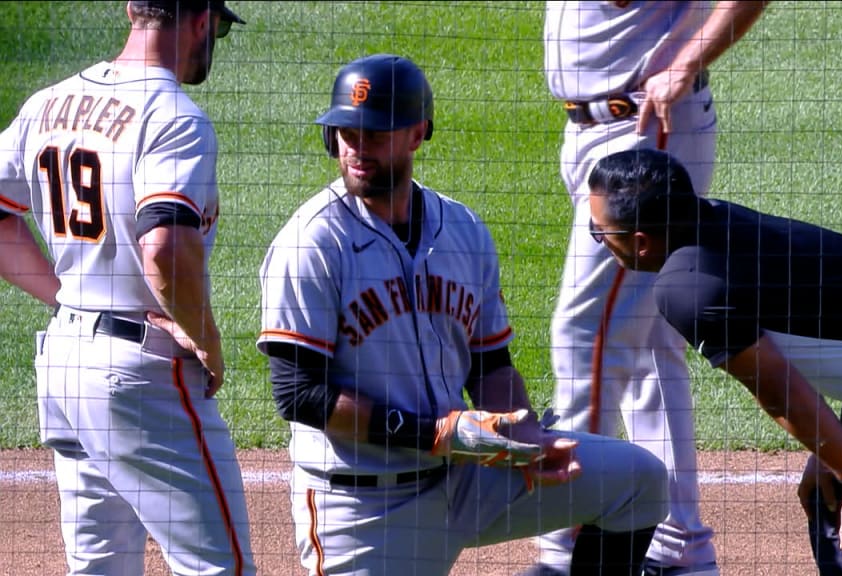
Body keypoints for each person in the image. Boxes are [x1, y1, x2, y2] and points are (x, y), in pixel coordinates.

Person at [255, 53, 669, 576]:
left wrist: (525, 440)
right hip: (363, 508)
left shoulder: (462, 230)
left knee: (637, 481)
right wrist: (434, 431)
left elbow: (490, 364)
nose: (356, 147)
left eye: (374, 132)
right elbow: (300, 393)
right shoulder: (311, 242)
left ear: (418, 133)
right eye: (345, 132)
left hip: (465, 480)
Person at [587, 148, 842, 575]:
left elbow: (779, 393)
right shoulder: (704, 227)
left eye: (599, 231)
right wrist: (833, 456)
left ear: (639, 242)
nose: (599, 239)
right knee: (833, 521)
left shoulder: (687, 291)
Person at [0, 2, 254, 575]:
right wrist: (205, 337)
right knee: (219, 568)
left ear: (132, 10)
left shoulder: (48, 102)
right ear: (198, 19)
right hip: (140, 374)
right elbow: (163, 247)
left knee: (99, 569)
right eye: (217, 28)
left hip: (64, 361)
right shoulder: (173, 116)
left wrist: (66, 293)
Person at [536, 2, 770, 575]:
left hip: (643, 130)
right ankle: (679, 546)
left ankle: (564, 545)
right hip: (596, 133)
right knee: (644, 344)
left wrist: (687, 60)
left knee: (584, 333)